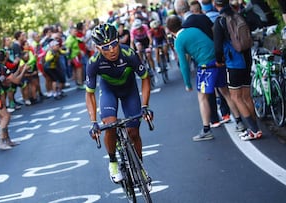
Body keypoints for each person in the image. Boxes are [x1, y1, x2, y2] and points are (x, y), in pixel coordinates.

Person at [86, 23, 152, 184]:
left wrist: (144, 106)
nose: (112, 50)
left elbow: (145, 78)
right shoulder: (93, 62)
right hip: (109, 91)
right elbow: (90, 94)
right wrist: (94, 122)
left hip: (129, 91)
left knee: (134, 132)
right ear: (98, 48)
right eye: (106, 47)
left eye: (114, 44)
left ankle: (140, 167)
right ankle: (113, 161)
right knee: (110, 125)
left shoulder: (129, 54)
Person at [166, 14, 241, 141]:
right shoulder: (193, 29)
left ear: (169, 30)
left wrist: (187, 83)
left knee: (202, 97)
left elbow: (184, 64)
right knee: (225, 92)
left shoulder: (178, 40)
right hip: (218, 60)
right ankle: (239, 121)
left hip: (205, 65)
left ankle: (206, 129)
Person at [213, 0, 262, 140]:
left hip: (233, 63)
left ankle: (253, 130)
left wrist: (219, 61)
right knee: (247, 96)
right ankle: (255, 128)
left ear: (216, 5)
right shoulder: (238, 15)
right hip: (247, 59)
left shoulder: (220, 22)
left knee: (236, 97)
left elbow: (217, 47)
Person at [0, 49, 28, 150]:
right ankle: (1, 141)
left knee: (5, 116)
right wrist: (23, 70)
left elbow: (8, 80)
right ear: (5, 58)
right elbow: (15, 81)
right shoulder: (3, 68)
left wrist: (18, 71)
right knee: (5, 116)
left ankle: (7, 140)